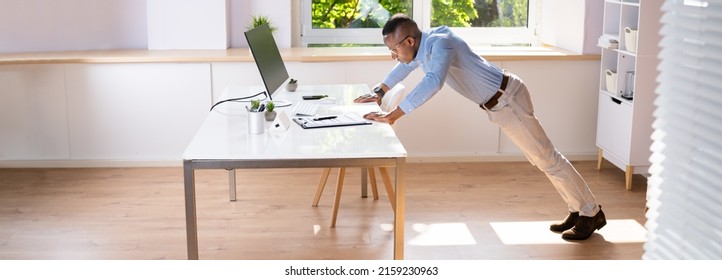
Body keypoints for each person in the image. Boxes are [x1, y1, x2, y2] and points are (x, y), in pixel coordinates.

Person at [356, 14, 606, 240]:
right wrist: (380, 91)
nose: (393, 55)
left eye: (394, 49)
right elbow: (406, 65)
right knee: (542, 159)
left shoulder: (441, 43)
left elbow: (433, 82)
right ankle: (579, 209)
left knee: (547, 158)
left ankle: (590, 213)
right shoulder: (424, 45)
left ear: (409, 42)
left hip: (508, 100)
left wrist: (394, 115)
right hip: (501, 101)